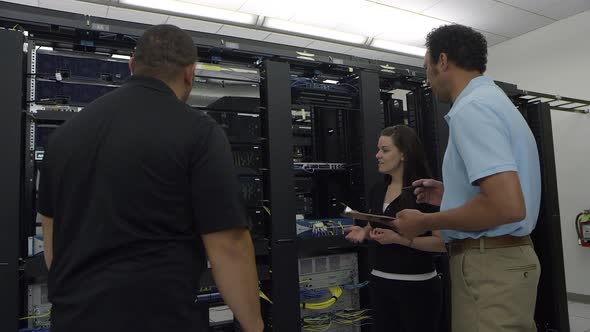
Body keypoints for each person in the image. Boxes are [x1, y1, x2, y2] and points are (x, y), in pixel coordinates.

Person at [37, 24, 263, 332]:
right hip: (158, 319)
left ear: (132, 65)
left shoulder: (64, 136)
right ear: (189, 73)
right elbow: (229, 245)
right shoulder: (198, 131)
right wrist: (254, 326)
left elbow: (52, 237)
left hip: (71, 320)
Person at [393, 24, 542, 332]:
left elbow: (507, 207)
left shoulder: (471, 110)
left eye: (426, 67)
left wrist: (425, 222)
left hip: (489, 265)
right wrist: (452, 193)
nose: (427, 78)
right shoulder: (495, 101)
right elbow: (506, 194)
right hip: (502, 261)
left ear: (443, 61)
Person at [344, 125, 446, 332]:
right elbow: (378, 221)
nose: (377, 155)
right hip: (380, 282)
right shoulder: (378, 189)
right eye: (378, 149)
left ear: (404, 154)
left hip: (417, 287)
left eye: (385, 150)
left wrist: (399, 239)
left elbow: (441, 243)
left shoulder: (424, 193)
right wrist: (363, 231)